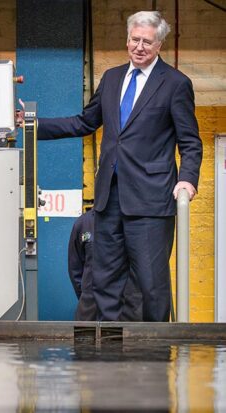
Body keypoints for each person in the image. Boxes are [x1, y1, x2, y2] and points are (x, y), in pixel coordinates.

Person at [17, 11, 202, 321]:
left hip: (151, 200)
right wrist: (32, 124)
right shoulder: (113, 78)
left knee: (150, 282)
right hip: (109, 196)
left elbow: (190, 141)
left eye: (147, 41)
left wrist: (187, 179)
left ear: (159, 45)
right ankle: (109, 350)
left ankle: (154, 352)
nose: (139, 47)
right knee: (103, 278)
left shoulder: (175, 84)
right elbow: (84, 122)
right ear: (127, 39)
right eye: (134, 39)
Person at [69, 209, 143, 321]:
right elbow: (75, 268)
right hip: (90, 305)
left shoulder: (136, 222)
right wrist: (87, 293)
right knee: (85, 337)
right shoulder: (83, 223)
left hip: (127, 305)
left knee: (124, 337)